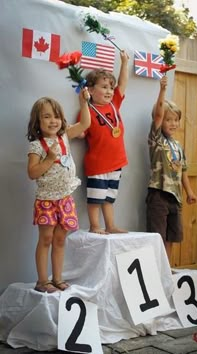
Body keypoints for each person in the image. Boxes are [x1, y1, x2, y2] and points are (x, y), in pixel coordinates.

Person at [27, 88, 91, 293]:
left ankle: (57, 278)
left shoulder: (64, 137)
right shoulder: (36, 146)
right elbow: (32, 173)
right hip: (46, 200)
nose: (53, 121)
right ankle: (42, 281)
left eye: (56, 116)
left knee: (60, 239)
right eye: (47, 116)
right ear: (37, 122)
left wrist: (84, 104)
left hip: (65, 198)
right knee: (46, 239)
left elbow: (85, 124)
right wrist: (48, 159)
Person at [77, 50, 129, 235]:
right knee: (95, 198)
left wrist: (124, 63)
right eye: (104, 86)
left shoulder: (114, 103)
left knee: (109, 198)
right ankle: (94, 225)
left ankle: (110, 225)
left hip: (116, 162)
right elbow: (81, 132)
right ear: (90, 90)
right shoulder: (88, 110)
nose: (109, 90)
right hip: (98, 163)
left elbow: (122, 84)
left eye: (110, 87)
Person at [146, 75, 197, 261]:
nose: (173, 123)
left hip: (175, 198)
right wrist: (162, 90)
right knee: (157, 237)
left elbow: (183, 170)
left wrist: (189, 192)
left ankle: (166, 270)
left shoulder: (178, 145)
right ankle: (156, 270)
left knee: (171, 237)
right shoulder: (156, 139)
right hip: (158, 194)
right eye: (169, 120)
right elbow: (159, 114)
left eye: (176, 120)